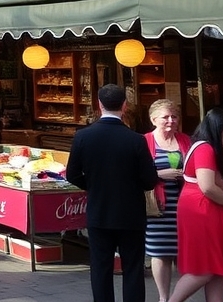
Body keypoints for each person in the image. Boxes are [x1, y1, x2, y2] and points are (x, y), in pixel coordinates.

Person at [65, 85, 159, 302]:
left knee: (100, 268)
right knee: (133, 268)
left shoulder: (83, 137)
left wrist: (93, 185)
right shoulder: (136, 140)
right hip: (131, 214)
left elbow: (71, 174)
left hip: (99, 212)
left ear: (99, 105)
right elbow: (149, 180)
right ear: (124, 106)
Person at [167, 107, 223, 302]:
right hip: (203, 209)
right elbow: (208, 187)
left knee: (216, 266)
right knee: (205, 268)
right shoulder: (205, 148)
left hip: (199, 206)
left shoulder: (199, 145)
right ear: (218, 129)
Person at [145, 99, 192, 302]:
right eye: (166, 117)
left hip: (185, 206)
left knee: (184, 253)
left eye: (174, 117)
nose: (171, 121)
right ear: (154, 119)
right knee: (161, 252)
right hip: (158, 208)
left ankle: (178, 296)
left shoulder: (185, 140)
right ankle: (164, 298)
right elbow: (134, 173)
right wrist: (158, 174)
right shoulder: (144, 141)